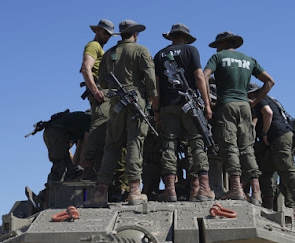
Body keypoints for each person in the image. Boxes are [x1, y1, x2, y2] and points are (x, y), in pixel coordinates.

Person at [85, 20, 157, 207]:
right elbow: (150, 79)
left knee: (111, 145)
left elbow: (104, 82)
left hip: (115, 102)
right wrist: (151, 99)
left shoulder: (109, 54)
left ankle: (101, 192)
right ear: (135, 34)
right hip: (136, 100)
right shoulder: (141, 51)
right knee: (135, 142)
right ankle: (134, 190)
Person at [203, 32, 274, 204]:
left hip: (226, 104)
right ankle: (256, 192)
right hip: (245, 106)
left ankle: (235, 188)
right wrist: (255, 101)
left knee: (230, 146)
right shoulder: (249, 60)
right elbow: (270, 81)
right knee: (247, 147)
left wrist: (207, 102)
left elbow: (203, 76)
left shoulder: (218, 57)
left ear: (222, 43)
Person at [153, 23, 214, 202]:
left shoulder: (159, 54)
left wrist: (156, 110)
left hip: (167, 107)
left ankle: (170, 189)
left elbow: (156, 86)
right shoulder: (191, 50)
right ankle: (203, 188)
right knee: (197, 143)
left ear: (171, 37)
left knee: (169, 145)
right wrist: (207, 105)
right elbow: (199, 77)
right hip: (190, 106)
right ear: (185, 37)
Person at [249, 84, 295, 219]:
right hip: (277, 139)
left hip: (278, 137)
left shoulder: (261, 99)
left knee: (286, 169)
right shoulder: (272, 100)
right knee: (265, 171)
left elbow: (267, 112)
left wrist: (264, 133)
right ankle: (268, 206)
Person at [25, 109, 92, 210]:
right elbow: (85, 152)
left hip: (56, 133)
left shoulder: (80, 125)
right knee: (60, 168)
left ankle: (48, 197)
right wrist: (82, 168)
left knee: (70, 171)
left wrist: (75, 170)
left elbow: (79, 150)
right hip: (55, 132)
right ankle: (45, 199)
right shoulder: (92, 121)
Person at [80, 19, 115, 180]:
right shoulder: (93, 46)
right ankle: (88, 166)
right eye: (105, 33)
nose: (107, 36)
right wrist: (95, 91)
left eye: (109, 34)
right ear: (98, 31)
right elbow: (86, 68)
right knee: (99, 125)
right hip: (99, 92)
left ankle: (95, 166)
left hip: (104, 91)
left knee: (103, 128)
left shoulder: (100, 48)